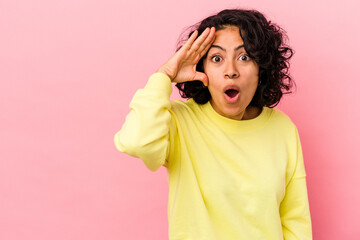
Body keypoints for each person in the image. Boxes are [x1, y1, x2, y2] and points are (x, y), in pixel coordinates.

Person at [114, 8, 312, 240]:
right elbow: (137, 143)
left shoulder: (282, 128)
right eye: (216, 59)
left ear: (261, 69)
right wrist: (163, 76)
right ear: (202, 69)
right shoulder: (179, 121)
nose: (230, 71)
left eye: (244, 57)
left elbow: (295, 222)